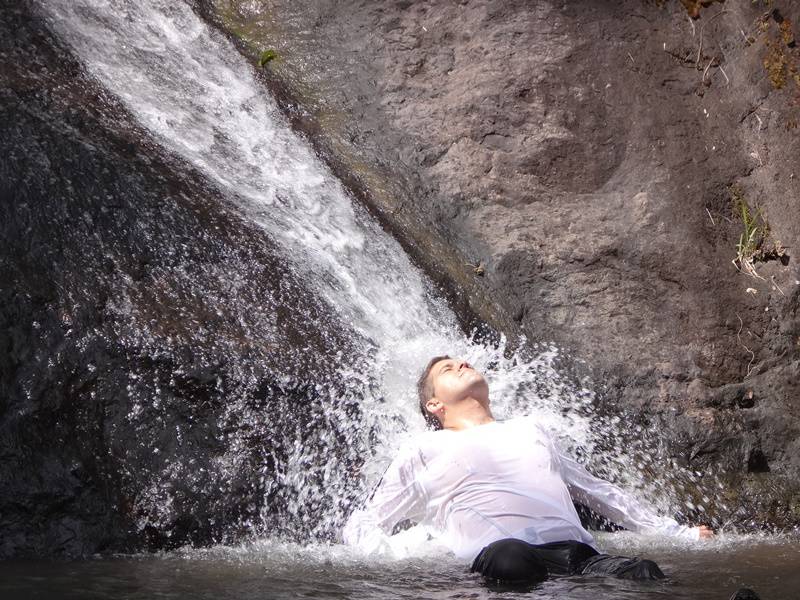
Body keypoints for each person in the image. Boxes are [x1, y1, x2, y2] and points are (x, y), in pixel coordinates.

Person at [343, 355, 714, 584]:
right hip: (499, 558)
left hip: (575, 555)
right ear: (434, 404)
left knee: (644, 571)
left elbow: (596, 491)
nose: (461, 363)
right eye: (447, 368)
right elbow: (368, 521)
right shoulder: (423, 449)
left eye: (461, 361)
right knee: (513, 557)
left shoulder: (531, 428)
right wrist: (401, 559)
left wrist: (675, 531)